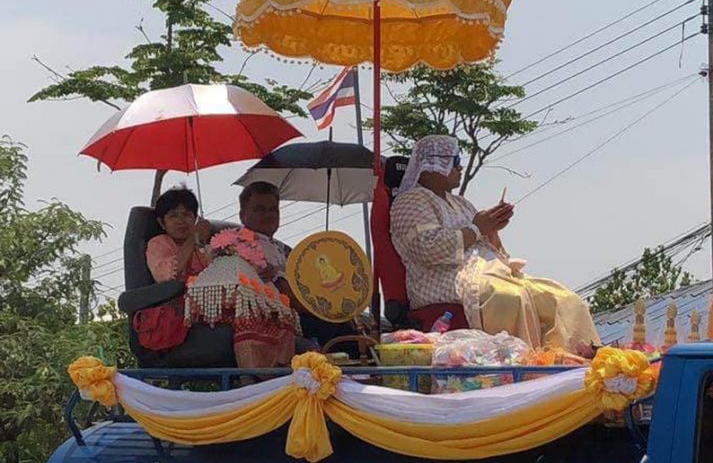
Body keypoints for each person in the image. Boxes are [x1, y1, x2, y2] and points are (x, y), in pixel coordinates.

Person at [390, 135, 600, 354]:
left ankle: (576, 366)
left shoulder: (461, 203)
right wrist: (477, 228)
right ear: (432, 165)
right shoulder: (411, 201)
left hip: (487, 273)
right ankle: (525, 369)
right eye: (454, 162)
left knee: (562, 298)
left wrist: (492, 229)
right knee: (512, 298)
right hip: (442, 280)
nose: (460, 167)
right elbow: (427, 249)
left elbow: (485, 243)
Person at [238, 181, 366, 353]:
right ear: (242, 215)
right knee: (338, 328)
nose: (268, 215)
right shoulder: (238, 244)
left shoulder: (284, 249)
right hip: (277, 316)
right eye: (260, 209)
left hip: (306, 310)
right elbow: (285, 293)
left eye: (273, 209)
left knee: (356, 323)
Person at [146, 187, 210, 283]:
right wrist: (192, 239)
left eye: (186, 215)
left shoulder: (205, 243)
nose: (181, 221)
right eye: (173, 216)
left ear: (195, 218)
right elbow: (165, 276)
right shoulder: (158, 244)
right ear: (162, 223)